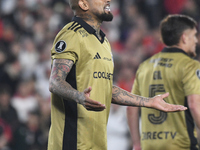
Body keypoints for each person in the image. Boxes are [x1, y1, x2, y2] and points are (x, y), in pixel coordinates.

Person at [48, 0, 187, 149]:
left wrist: (148, 102)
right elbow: (55, 81)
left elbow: (106, 88)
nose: (108, 0)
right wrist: (78, 96)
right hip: (71, 143)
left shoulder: (103, 41)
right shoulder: (71, 34)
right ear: (84, 4)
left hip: (97, 144)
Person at [127, 14, 200, 150]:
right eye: (194, 35)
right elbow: (195, 105)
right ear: (184, 37)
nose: (196, 40)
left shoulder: (144, 66)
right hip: (180, 145)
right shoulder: (190, 66)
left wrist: (137, 144)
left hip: (149, 145)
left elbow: (131, 108)